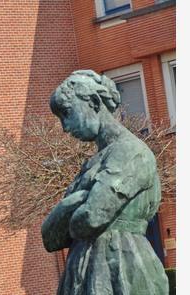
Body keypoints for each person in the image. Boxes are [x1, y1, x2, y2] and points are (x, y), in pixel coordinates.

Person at [41, 70, 168, 294]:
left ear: (94, 102)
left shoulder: (131, 151)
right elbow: (50, 238)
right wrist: (75, 201)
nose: (65, 127)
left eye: (67, 114)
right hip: (82, 275)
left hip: (121, 269)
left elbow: (91, 217)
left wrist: (73, 211)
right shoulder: (92, 163)